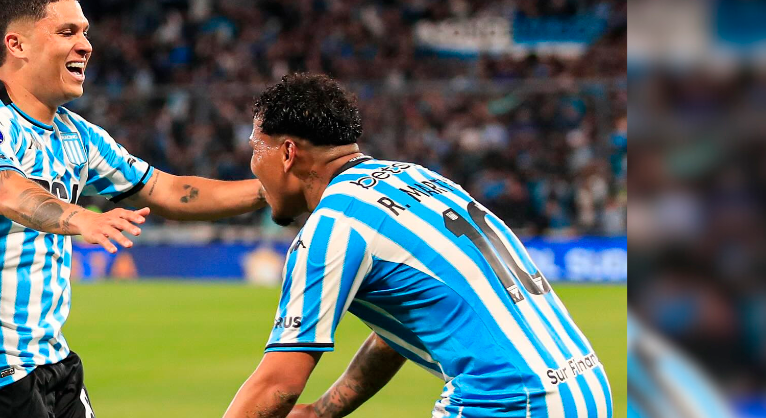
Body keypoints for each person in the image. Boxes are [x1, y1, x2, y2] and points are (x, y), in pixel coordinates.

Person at [0, 0, 265, 418]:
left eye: (85, 32)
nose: (86, 45)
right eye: (68, 32)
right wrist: (80, 218)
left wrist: (272, 191)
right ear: (17, 44)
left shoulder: (78, 135)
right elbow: (5, 190)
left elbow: (167, 190)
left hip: (52, 362)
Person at [223, 73, 613, 418]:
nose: (254, 164)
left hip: (507, 401)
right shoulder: (417, 177)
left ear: (289, 153)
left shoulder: (333, 226)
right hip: (585, 387)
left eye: (258, 149)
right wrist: (324, 411)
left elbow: (279, 386)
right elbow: (399, 330)